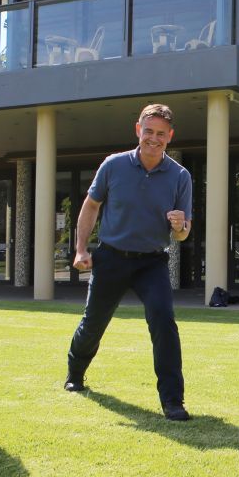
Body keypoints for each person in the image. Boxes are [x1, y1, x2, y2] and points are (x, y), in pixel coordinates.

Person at [63, 103, 193, 421]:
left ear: (170, 137)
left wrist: (180, 226)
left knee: (164, 321)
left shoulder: (180, 176)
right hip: (111, 258)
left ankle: (172, 401)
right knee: (93, 324)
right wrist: (80, 249)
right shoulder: (113, 166)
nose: (154, 138)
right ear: (138, 129)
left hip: (152, 263)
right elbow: (91, 206)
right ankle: (75, 374)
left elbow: (183, 235)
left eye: (161, 134)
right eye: (149, 131)